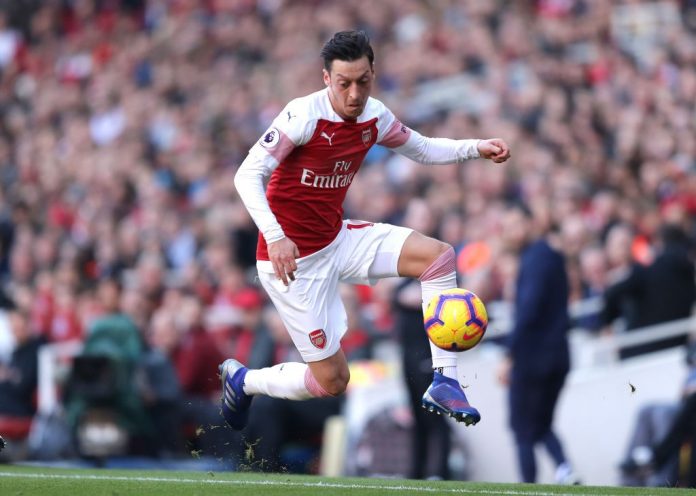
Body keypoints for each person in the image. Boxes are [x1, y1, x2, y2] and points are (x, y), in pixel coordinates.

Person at [219, 30, 510, 432]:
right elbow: (247, 175)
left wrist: (475, 147)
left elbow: (422, 148)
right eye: (344, 84)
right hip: (291, 263)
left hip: (337, 240)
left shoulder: (375, 116)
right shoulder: (303, 115)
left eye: (363, 81)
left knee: (438, 256)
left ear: (373, 74)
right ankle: (244, 381)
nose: (354, 94)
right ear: (326, 79)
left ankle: (445, 380)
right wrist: (274, 233)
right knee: (333, 381)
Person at [497, 202, 579, 484]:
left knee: (523, 430)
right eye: (506, 228)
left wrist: (510, 354)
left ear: (530, 224)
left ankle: (528, 487)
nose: (509, 233)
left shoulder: (536, 259)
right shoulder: (550, 256)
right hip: (558, 355)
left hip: (534, 358)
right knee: (541, 425)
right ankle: (565, 470)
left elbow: (529, 310)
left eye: (514, 225)